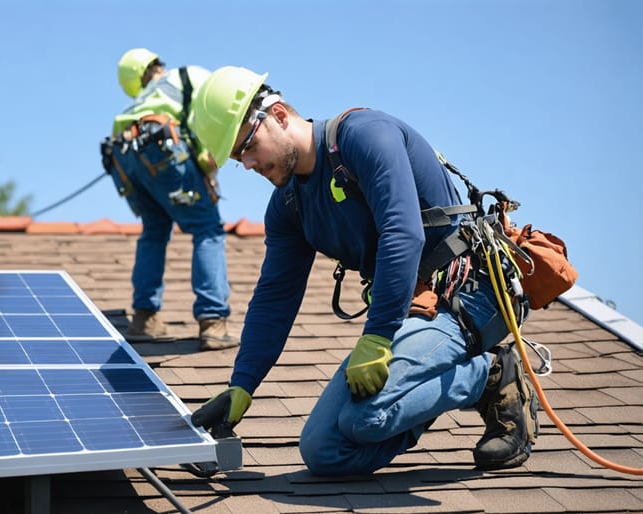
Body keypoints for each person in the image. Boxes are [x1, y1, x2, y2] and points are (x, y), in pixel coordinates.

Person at [188, 66, 539, 474]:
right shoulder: (289, 205)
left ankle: (492, 376)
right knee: (323, 450)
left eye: (247, 145)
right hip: (412, 308)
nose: (247, 163)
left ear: (279, 115)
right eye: (236, 158)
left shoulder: (364, 135)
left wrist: (376, 337)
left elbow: (402, 234)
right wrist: (242, 386)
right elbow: (275, 297)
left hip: (469, 297)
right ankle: (444, 380)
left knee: (362, 419)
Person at [101, 48, 238, 351]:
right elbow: (204, 122)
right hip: (162, 148)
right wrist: (209, 165)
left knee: (154, 229)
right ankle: (213, 321)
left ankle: (144, 319)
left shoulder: (137, 103)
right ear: (155, 64)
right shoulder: (189, 76)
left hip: (125, 160)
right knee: (208, 228)